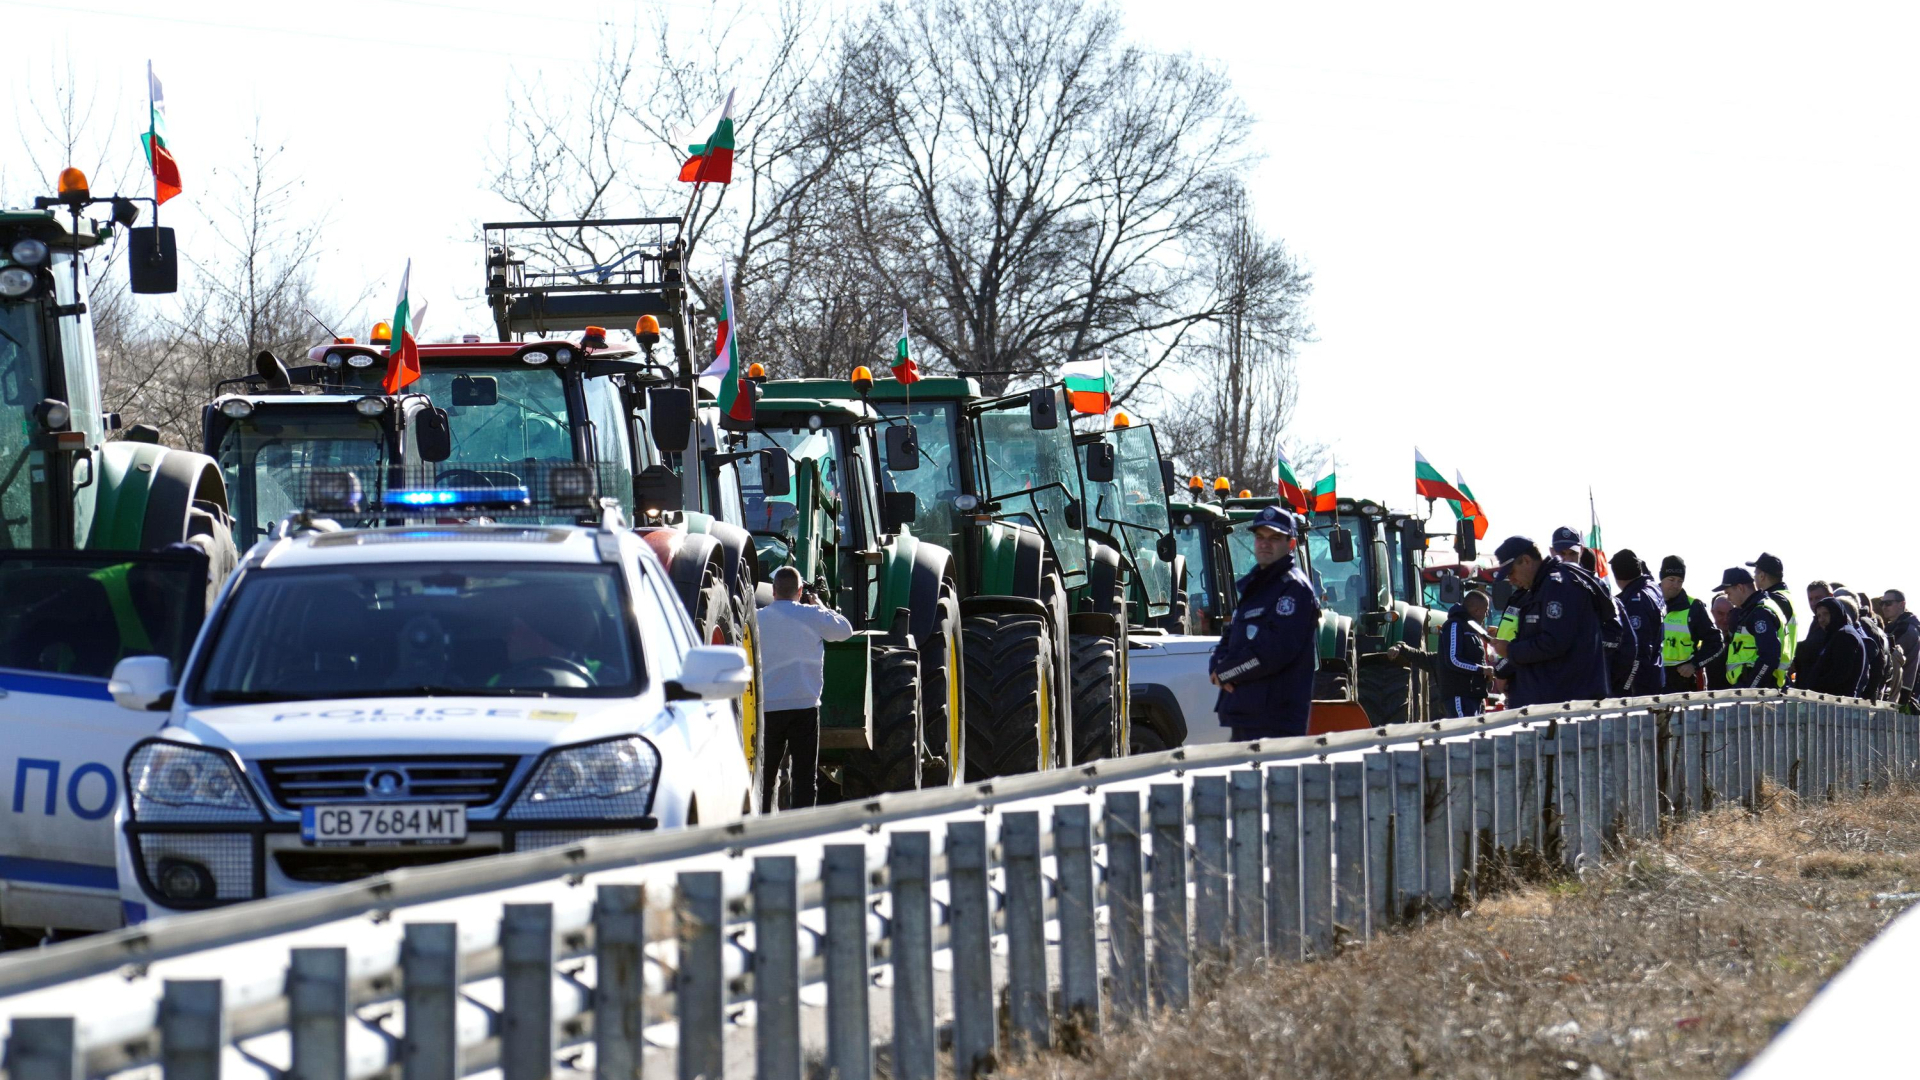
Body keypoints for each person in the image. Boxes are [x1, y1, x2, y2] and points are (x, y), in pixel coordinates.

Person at [1210, 505, 1321, 739]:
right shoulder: (1256, 585)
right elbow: (1232, 635)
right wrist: (1216, 664)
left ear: (1290, 545)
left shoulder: (1294, 590)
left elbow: (1272, 653)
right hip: (1247, 714)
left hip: (1275, 722)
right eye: (1260, 537)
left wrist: (1227, 672)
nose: (1264, 543)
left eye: (1274, 538)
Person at [757, 565, 854, 808]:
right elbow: (845, 631)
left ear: (773, 590)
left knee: (766, 776)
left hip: (768, 708)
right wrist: (819, 604)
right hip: (804, 706)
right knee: (804, 777)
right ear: (800, 591)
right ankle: (802, 828)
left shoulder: (758, 618)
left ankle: (763, 829)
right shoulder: (812, 615)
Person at [1488, 536, 1610, 707]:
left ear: (1526, 560)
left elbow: (1553, 642)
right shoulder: (1541, 588)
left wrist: (1510, 650)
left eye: (1511, 572)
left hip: (1561, 704)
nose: (1512, 580)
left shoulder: (1557, 586)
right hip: (1552, 700)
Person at [1389, 588, 1493, 718]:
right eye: (1486, 610)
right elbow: (1453, 660)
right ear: (1476, 610)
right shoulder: (1455, 626)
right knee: (1462, 734)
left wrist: (1486, 679)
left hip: (1473, 697)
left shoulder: (1472, 629)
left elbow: (1438, 658)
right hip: (1460, 697)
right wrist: (1482, 670)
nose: (1486, 614)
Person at [1658, 555, 1723, 692]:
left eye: (1680, 581)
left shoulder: (1693, 606)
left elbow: (1716, 642)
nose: (1675, 585)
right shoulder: (1649, 602)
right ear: (1661, 578)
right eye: (1671, 579)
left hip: (1683, 682)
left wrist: (1694, 664)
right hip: (1653, 678)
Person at [1717, 567, 1786, 688]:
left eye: (1728, 593)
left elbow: (1770, 656)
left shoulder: (1759, 612)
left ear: (1740, 588)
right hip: (1756, 686)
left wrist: (1752, 687)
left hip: (1760, 689)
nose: (1728, 598)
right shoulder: (1752, 611)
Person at [1610, 549, 1665, 696]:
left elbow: (1638, 651)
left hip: (1640, 685)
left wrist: (1626, 685)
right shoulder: (1653, 588)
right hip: (1655, 674)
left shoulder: (1636, 602)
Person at [1802, 595, 1867, 697]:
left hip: (1837, 705)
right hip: (1832, 703)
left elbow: (1840, 674)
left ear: (1835, 612)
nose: (1821, 620)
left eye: (1825, 614)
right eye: (1818, 616)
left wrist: (1814, 687)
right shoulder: (1836, 635)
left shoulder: (1845, 635)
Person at [1748, 553, 1798, 676]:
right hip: (1780, 673)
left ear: (1762, 576)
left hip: (1770, 675)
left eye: (1755, 573)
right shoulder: (1786, 596)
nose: (1754, 578)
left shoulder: (1772, 600)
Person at [1791, 580, 1833, 687]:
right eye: (1810, 599)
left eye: (1818, 598)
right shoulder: (1815, 622)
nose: (1813, 603)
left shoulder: (1834, 623)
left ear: (1830, 596)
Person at [1883, 590, 1920, 710]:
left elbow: (1887, 659)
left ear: (1902, 604)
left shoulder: (1907, 629)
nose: (1884, 607)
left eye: (1888, 603)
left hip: (1901, 694)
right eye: (1881, 603)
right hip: (1896, 691)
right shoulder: (1894, 626)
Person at [1707, 593, 1735, 689]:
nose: (1725, 619)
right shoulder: (1704, 640)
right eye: (1720, 614)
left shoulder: (1743, 639)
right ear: (1712, 612)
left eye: (1730, 614)